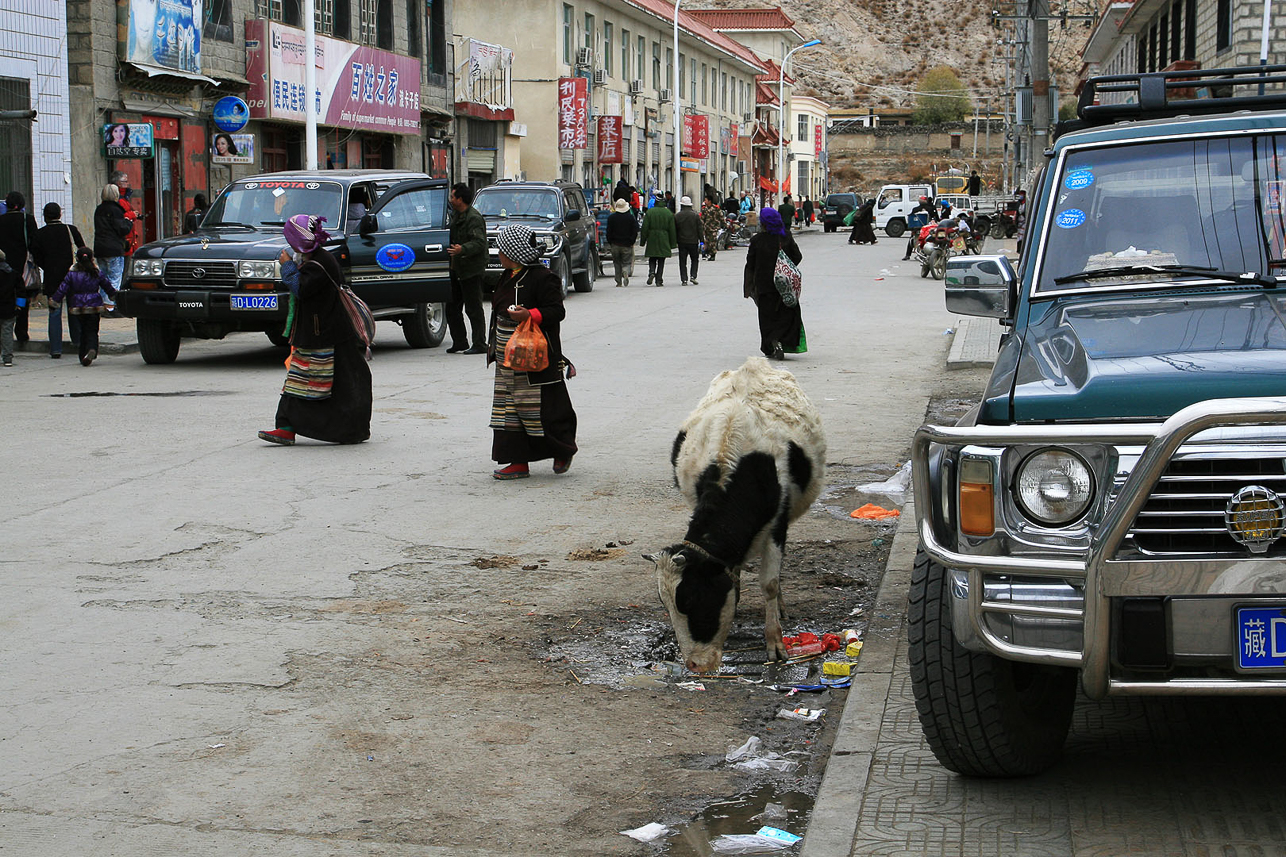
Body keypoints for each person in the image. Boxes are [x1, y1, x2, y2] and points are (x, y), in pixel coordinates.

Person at [258, 214, 371, 446]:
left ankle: (347, 430)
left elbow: (300, 288)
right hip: (322, 333)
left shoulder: (319, 263)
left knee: (320, 383)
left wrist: (287, 266)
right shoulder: (315, 259)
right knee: (304, 381)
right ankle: (287, 427)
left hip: (325, 336)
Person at [486, 223, 578, 480]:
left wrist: (530, 315)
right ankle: (518, 462)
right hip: (508, 358)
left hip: (536, 358)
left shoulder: (543, 277)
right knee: (509, 411)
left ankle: (562, 451)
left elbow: (556, 312)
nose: (499, 254)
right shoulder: (508, 275)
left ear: (515, 251)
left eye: (503, 250)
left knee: (545, 410)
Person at [743, 207, 802, 361]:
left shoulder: (757, 240)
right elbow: (797, 256)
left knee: (767, 317)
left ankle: (771, 344)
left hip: (764, 286)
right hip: (785, 285)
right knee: (787, 315)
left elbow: (750, 264)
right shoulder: (786, 237)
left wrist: (749, 287)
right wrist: (786, 268)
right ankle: (781, 341)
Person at [31, 202, 86, 358]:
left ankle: (56, 349)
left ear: (45, 216)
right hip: (73, 275)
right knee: (74, 309)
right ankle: (78, 342)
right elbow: (83, 250)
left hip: (52, 278)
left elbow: (36, 257)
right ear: (60, 214)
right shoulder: (71, 230)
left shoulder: (39, 234)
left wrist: (48, 266)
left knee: (54, 312)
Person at [48, 247, 116, 367]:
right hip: (94, 305)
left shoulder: (72, 274)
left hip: (77, 306)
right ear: (92, 259)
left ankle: (83, 354)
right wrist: (114, 296)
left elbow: (62, 289)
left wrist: (54, 301)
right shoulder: (96, 273)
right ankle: (92, 349)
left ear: (77, 259)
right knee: (92, 330)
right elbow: (107, 286)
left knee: (82, 331)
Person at [445, 182, 488, 355]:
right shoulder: (455, 215)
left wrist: (462, 249)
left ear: (460, 199)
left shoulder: (474, 218)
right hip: (457, 269)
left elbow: (479, 243)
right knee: (452, 308)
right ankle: (460, 341)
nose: (451, 199)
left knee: (473, 308)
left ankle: (479, 343)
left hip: (471, 269)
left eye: (453, 197)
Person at [0, 191, 40, 343]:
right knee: (22, 298)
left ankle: (5, 334)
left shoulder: (1, 220)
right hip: (23, 267)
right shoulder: (27, 219)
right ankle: (22, 332)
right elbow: (35, 243)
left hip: (3, 267)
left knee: (4, 299)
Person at [93, 183, 133, 309]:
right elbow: (121, 229)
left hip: (100, 247)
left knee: (103, 277)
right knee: (115, 277)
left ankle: (103, 303)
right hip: (114, 247)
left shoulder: (99, 209)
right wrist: (128, 222)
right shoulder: (116, 210)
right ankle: (111, 305)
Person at [639, 192, 676, 287]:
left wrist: (643, 241)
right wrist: (673, 244)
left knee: (652, 257)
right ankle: (659, 280)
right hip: (664, 237)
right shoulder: (668, 213)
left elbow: (645, 228)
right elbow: (672, 229)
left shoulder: (650, 212)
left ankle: (651, 272)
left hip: (652, 237)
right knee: (661, 259)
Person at [605, 198, 638, 287]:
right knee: (626, 262)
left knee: (616, 263)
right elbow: (635, 231)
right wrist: (632, 241)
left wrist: (610, 242)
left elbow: (608, 231)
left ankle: (618, 281)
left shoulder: (611, 218)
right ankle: (625, 271)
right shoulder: (630, 218)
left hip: (615, 244)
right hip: (627, 244)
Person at [674, 196, 703, 286]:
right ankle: (693, 276)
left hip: (682, 241)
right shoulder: (695, 216)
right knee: (694, 259)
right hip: (693, 241)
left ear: (682, 205)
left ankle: (684, 279)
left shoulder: (677, 216)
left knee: (682, 261)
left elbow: (675, 229)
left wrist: (675, 241)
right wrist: (702, 240)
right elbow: (700, 229)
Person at [902, 195, 939, 260]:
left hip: (916, 227)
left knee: (911, 239)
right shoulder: (931, 208)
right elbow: (936, 217)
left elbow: (911, 217)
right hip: (927, 228)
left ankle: (908, 255)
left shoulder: (915, 209)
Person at [0, 249, 13, 366]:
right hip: (9, 308)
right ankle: (7, 357)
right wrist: (19, 306)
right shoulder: (12, 274)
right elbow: (20, 292)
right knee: (7, 332)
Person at [701, 196, 724, 261]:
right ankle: (707, 253)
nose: (705, 202)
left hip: (714, 228)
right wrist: (702, 227)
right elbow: (702, 219)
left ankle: (713, 254)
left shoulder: (716, 208)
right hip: (707, 228)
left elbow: (721, 216)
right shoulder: (704, 209)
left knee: (713, 241)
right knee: (707, 241)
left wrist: (724, 224)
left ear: (709, 201)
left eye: (706, 200)